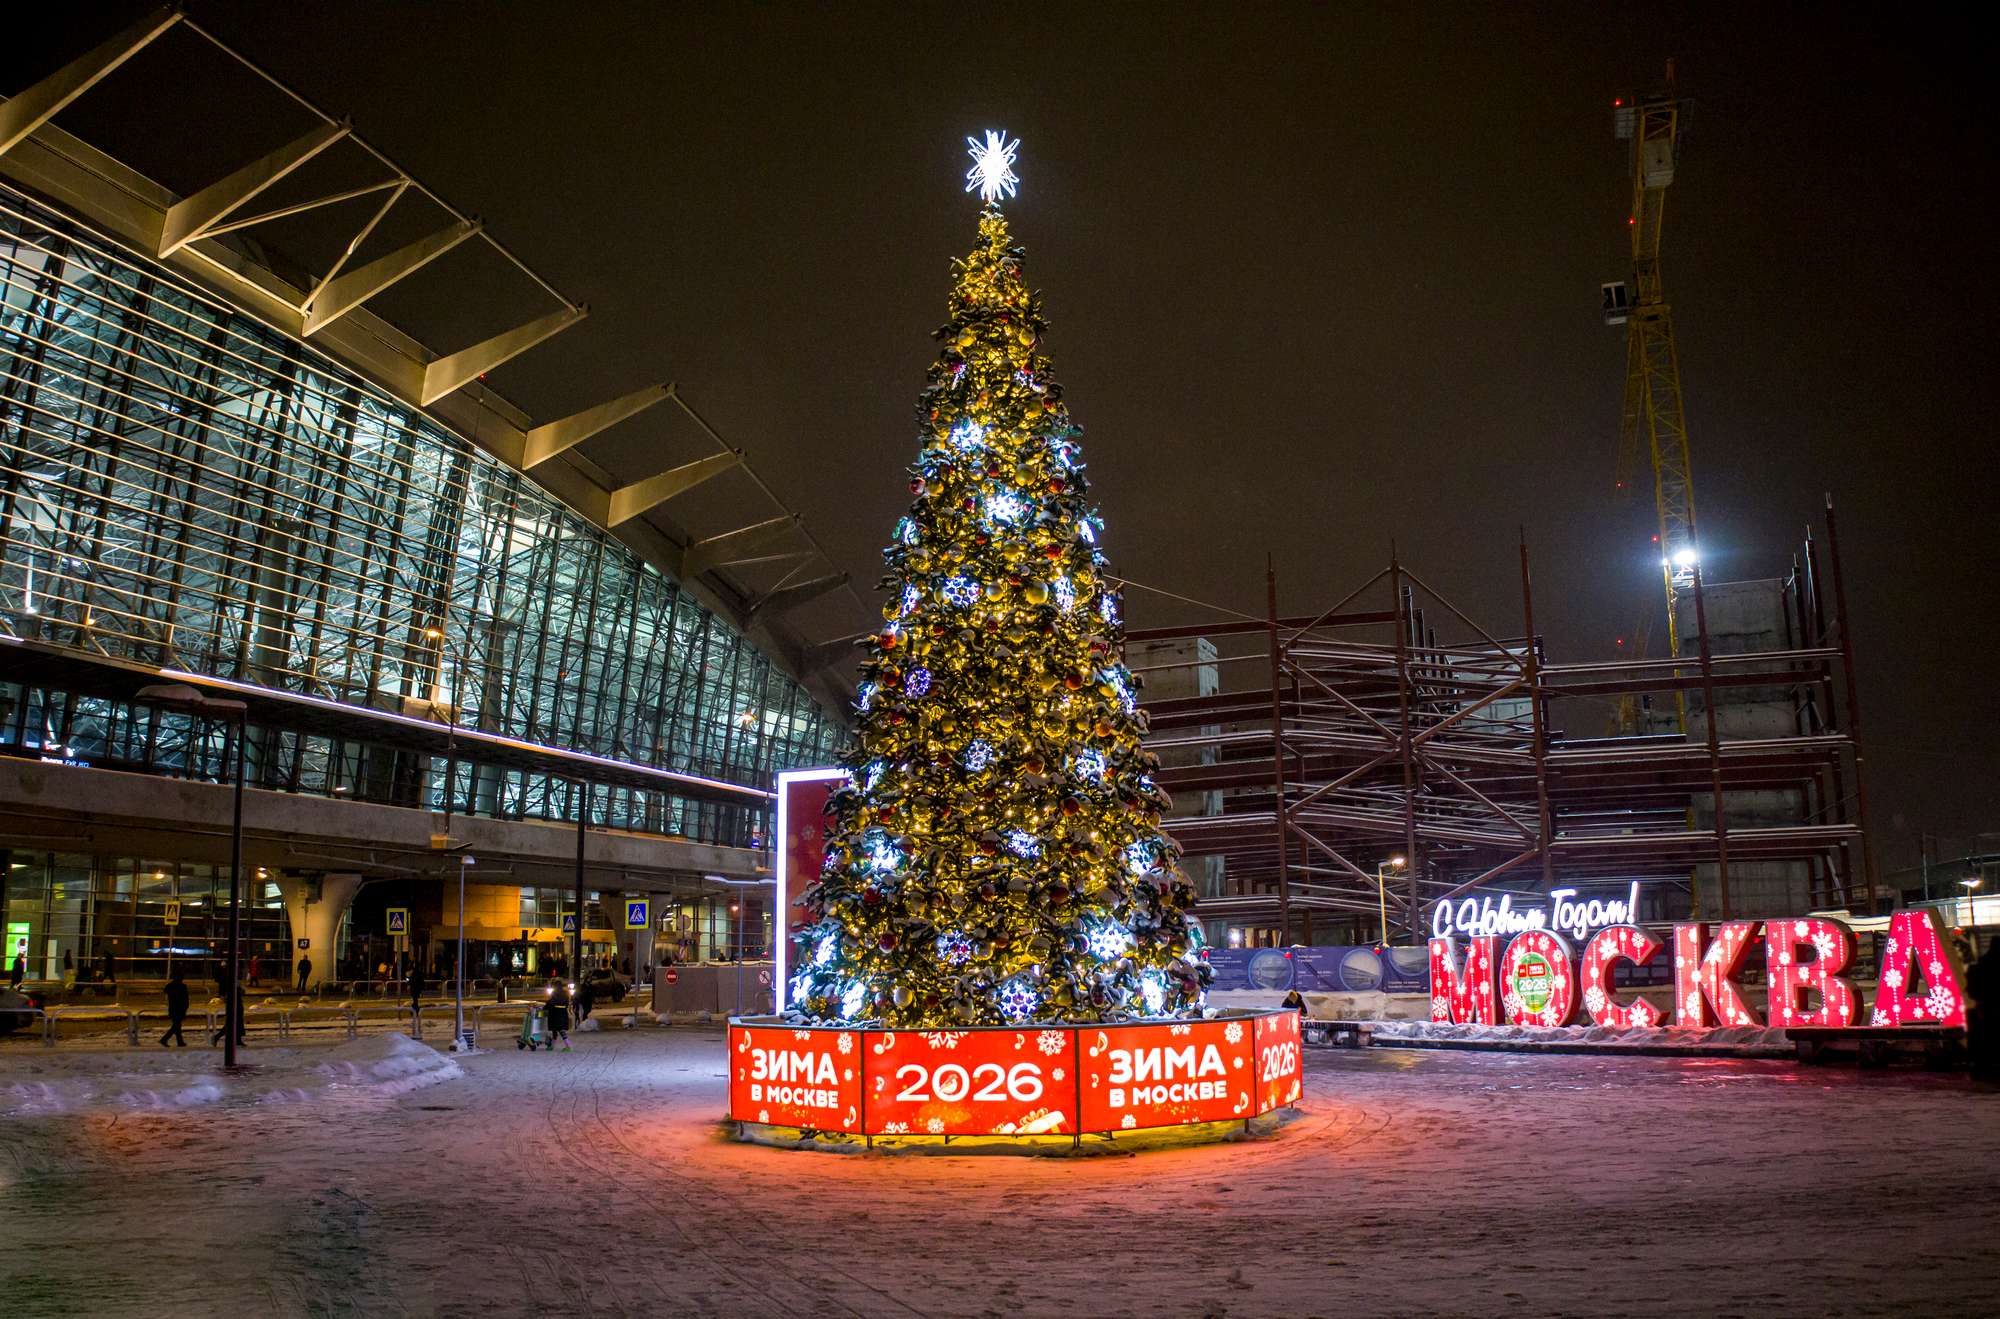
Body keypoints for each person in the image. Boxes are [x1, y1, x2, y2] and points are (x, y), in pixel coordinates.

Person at [1968, 938, 2000, 1090]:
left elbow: (1973, 988)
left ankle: (1983, 1067)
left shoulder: (1982, 964)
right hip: (1991, 1005)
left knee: (1985, 1035)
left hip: (1985, 1006)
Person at [209, 975, 246, 1049]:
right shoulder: (231, 987)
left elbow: (242, 992)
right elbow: (229, 997)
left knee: (237, 1024)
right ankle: (216, 1037)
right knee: (231, 1024)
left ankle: (238, 1040)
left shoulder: (234, 986)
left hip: (237, 1006)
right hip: (234, 1007)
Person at [160, 966, 190, 1047]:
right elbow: (185, 999)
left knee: (177, 1025)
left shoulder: (170, 986)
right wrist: (185, 1008)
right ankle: (165, 1039)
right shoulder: (182, 987)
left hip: (173, 1008)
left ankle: (179, 1041)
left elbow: (165, 991)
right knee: (176, 1026)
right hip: (180, 1008)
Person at [545, 977, 572, 1052]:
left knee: (559, 1030)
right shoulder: (565, 993)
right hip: (563, 1012)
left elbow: (552, 1002)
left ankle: (568, 1046)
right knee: (557, 1029)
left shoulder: (555, 993)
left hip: (555, 1013)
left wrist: (546, 1006)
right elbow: (567, 1003)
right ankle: (552, 1046)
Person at [409, 962, 426, 1037]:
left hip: (414, 989)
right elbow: (421, 981)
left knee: (415, 999)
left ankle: (414, 1010)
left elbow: (411, 981)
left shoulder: (414, 973)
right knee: (415, 1000)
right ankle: (415, 1010)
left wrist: (409, 983)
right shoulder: (419, 973)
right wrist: (422, 988)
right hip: (417, 989)